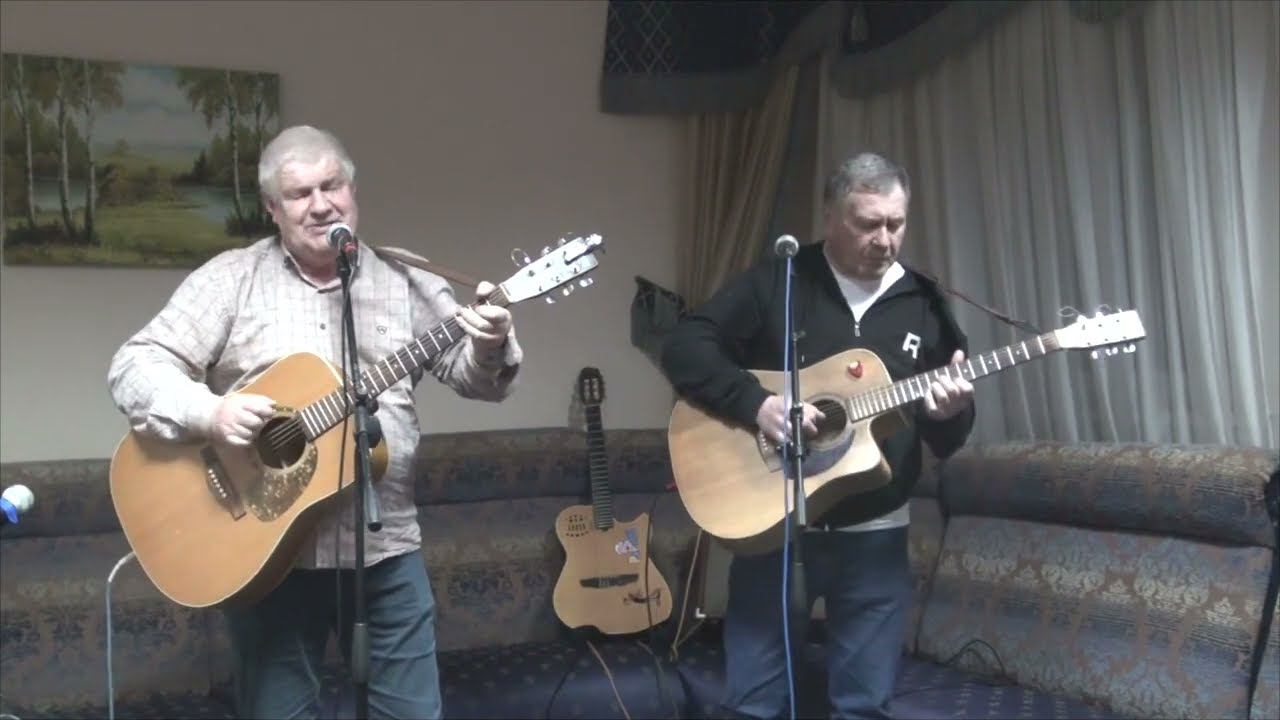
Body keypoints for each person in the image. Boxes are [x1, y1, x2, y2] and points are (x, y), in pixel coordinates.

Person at [107, 125, 522, 719]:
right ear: (273, 209)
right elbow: (133, 366)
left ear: (353, 189)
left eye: (332, 186)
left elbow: (478, 381)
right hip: (264, 558)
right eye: (300, 194)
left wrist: (490, 342)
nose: (321, 204)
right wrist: (212, 412)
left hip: (385, 549)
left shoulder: (405, 279)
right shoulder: (233, 278)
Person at [661, 152, 976, 719]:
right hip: (776, 526)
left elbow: (947, 438)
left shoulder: (925, 302)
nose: (885, 240)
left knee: (863, 707)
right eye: (868, 224)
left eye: (896, 224)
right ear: (830, 215)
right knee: (753, 705)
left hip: (876, 535)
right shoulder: (781, 280)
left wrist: (952, 411)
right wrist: (758, 405)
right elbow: (684, 347)